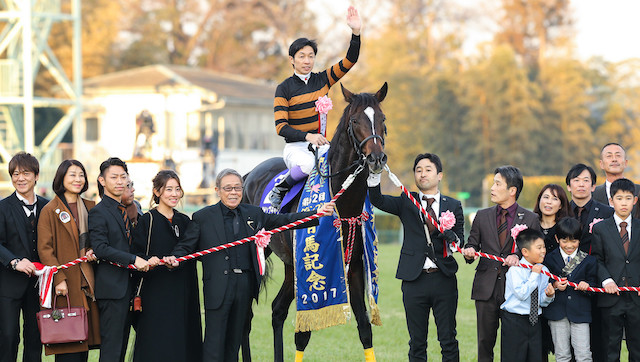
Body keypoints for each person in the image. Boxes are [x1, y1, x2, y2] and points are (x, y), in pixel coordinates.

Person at [164, 168, 334, 361]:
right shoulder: (203, 217)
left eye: (237, 188)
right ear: (217, 190)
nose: (233, 192)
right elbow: (187, 245)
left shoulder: (254, 213)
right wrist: (174, 258)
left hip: (244, 287)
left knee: (234, 343)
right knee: (214, 344)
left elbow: (285, 220)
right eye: (228, 188)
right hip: (217, 288)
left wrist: (317, 214)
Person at [368, 153, 462, 361]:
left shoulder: (453, 206)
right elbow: (377, 200)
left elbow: (460, 242)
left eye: (428, 169)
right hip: (414, 279)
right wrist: (374, 176)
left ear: (439, 175)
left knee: (448, 340)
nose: (422, 174)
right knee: (417, 342)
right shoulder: (407, 200)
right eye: (418, 170)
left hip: (444, 279)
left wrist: (453, 237)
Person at [269, 6, 362, 209]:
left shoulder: (323, 79)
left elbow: (350, 61)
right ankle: (281, 188)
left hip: (322, 146)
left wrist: (355, 32)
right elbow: (280, 128)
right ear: (292, 60)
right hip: (296, 148)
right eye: (302, 56)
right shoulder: (284, 88)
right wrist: (308, 136)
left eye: (311, 56)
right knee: (309, 166)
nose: (307, 61)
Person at [461, 165, 541, 362]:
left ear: (512, 190)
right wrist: (469, 252)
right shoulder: (482, 215)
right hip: (486, 288)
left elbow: (537, 253)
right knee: (484, 342)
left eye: (497, 184)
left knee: (512, 345)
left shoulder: (530, 218)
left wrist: (517, 256)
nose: (492, 188)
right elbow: (472, 244)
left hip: (516, 291)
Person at [130, 170, 202, 361]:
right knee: (159, 339)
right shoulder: (148, 220)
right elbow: (135, 254)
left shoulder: (185, 221)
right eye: (168, 189)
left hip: (183, 289)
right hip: (157, 292)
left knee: (183, 336)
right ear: (157, 192)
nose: (174, 194)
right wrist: (149, 260)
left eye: (177, 189)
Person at [37, 160, 101, 361]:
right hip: (66, 286)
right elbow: (45, 248)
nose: (78, 179)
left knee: (83, 348)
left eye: (81, 174)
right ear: (61, 177)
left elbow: (98, 239)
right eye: (72, 174)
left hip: (88, 284)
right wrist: (59, 278)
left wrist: (93, 250)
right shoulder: (50, 210)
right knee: (68, 346)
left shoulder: (91, 207)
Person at [89, 157, 150, 362]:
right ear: (102, 180)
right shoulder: (98, 212)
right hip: (112, 290)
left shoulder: (126, 210)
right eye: (113, 177)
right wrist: (134, 259)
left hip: (131, 288)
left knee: (123, 347)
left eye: (123, 177)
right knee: (112, 350)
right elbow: (101, 248)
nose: (119, 181)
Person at [0, 152, 49, 362]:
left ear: (36, 176)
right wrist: (14, 262)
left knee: (35, 339)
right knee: (8, 337)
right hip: (8, 285)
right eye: (16, 174)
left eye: (26, 173)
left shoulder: (49, 207)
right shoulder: (2, 207)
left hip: (39, 286)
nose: (20, 178)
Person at [591, 178, 640, 361]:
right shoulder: (600, 228)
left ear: (635, 200)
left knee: (637, 347)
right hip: (611, 298)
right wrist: (606, 280)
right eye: (619, 198)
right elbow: (597, 258)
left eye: (628, 198)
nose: (624, 203)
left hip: (637, 298)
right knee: (610, 347)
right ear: (611, 201)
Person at [543, 217, 596, 362]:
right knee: (561, 355)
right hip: (557, 312)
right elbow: (544, 283)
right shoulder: (548, 259)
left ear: (580, 239)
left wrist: (586, 286)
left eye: (574, 241)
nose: (569, 245)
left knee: (584, 354)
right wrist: (554, 285)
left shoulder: (588, 260)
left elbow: (594, 285)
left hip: (581, 313)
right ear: (556, 238)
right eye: (564, 240)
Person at [500, 228, 555, 362]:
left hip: (535, 321)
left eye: (544, 247)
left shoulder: (544, 270)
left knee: (534, 357)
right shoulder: (515, 270)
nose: (543, 251)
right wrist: (534, 275)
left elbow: (540, 301)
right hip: (514, 320)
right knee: (513, 357)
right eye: (539, 247)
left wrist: (548, 295)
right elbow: (522, 294)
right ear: (525, 251)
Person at [533, 184, 572, 253]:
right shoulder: (531, 224)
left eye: (555, 199)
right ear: (539, 200)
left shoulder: (566, 228)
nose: (549, 202)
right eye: (546, 197)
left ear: (561, 205)